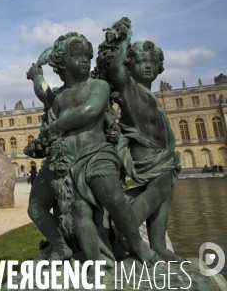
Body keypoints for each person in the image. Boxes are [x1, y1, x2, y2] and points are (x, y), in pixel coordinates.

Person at [26, 32, 156, 265]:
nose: (85, 60)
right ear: (62, 62)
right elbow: (43, 92)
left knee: (114, 200)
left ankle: (139, 246)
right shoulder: (58, 96)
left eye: (87, 56)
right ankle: (60, 247)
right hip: (64, 159)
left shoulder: (98, 85)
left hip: (96, 153)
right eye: (77, 56)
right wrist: (37, 76)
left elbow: (91, 110)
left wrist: (57, 126)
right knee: (37, 207)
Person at [106, 21, 181, 262]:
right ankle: (124, 232)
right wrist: (124, 38)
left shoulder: (149, 93)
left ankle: (158, 245)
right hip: (145, 149)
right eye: (140, 62)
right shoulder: (130, 87)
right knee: (158, 188)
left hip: (161, 151)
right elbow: (116, 68)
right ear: (130, 65)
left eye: (152, 62)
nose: (147, 66)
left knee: (164, 191)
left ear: (159, 66)